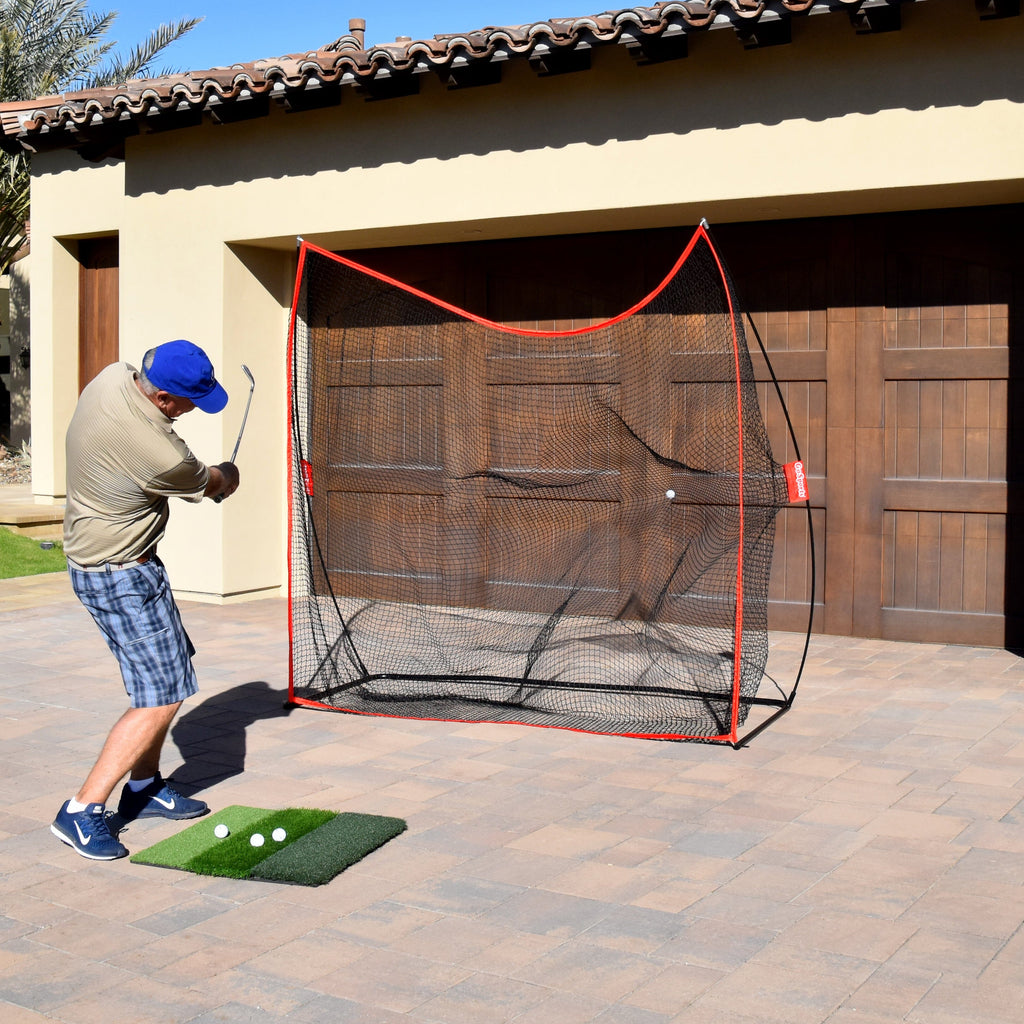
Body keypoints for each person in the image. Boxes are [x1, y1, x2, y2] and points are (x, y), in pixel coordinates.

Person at [51, 339, 241, 860]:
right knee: (160, 696)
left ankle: (144, 786)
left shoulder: (112, 377)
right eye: (188, 403)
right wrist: (229, 476)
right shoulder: (163, 455)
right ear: (161, 398)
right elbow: (212, 483)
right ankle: (82, 810)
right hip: (120, 576)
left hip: (117, 564)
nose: (191, 411)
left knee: (166, 679)